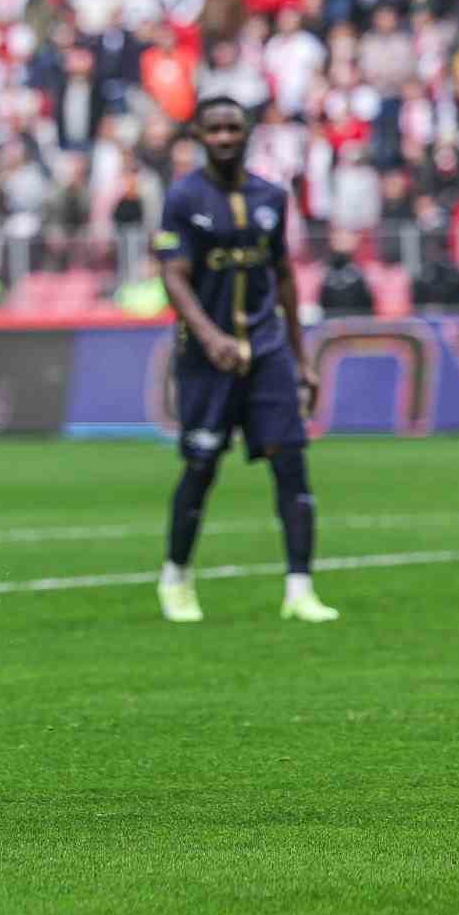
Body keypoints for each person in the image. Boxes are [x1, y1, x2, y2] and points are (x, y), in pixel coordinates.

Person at [153, 95, 338, 624]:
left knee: (291, 466)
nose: (226, 137)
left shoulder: (271, 196)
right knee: (202, 465)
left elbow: (282, 274)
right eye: (215, 129)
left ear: (248, 132)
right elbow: (174, 274)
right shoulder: (184, 198)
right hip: (207, 358)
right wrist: (209, 336)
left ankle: (300, 588)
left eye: (234, 128)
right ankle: (176, 577)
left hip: (268, 350)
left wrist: (302, 358)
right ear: (199, 135)